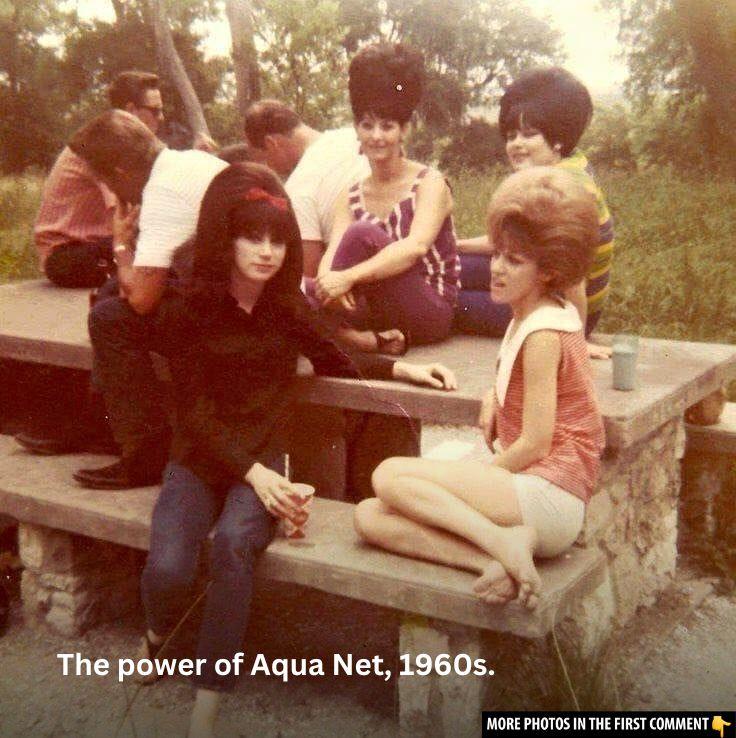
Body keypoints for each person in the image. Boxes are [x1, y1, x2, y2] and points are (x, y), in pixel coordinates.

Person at [137, 162, 455, 738]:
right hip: (200, 458)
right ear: (225, 239)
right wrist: (252, 474)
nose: (267, 252)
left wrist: (402, 369)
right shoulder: (187, 308)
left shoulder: (285, 306)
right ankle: (158, 637)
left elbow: (336, 355)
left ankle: (205, 711)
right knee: (169, 568)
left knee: (235, 545)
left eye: (278, 240)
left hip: (265, 456)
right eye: (251, 237)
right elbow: (194, 416)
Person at [354, 166, 605, 610]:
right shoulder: (529, 313)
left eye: (515, 261)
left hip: (550, 495)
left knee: (388, 475)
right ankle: (493, 557)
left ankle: (502, 540)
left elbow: (536, 442)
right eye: (498, 254)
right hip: (529, 494)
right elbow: (529, 387)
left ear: (549, 271)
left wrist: (476, 477)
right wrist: (495, 396)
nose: (497, 268)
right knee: (369, 516)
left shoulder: (544, 332)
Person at [15, 111, 228, 476]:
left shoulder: (162, 192)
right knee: (112, 291)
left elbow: (142, 301)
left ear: (121, 174)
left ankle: (146, 451)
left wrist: (120, 244)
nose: (112, 193)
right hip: (241, 297)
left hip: (237, 320)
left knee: (110, 318)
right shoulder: (191, 162)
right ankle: (102, 418)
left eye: (107, 183)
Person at [454, 67, 615, 360]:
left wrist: (575, 340)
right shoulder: (572, 164)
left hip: (560, 311)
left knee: (447, 298)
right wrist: (457, 245)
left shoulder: (562, 188)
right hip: (545, 286)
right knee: (450, 265)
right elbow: (525, 242)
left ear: (558, 139)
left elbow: (574, 280)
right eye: (511, 135)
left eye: (529, 135)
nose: (516, 144)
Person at [313, 43, 460, 355]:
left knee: (361, 234)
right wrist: (327, 280)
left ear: (404, 130)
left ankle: (331, 329)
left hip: (429, 308)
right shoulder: (351, 194)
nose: (376, 136)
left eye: (387, 126)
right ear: (356, 130)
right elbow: (334, 251)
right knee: (300, 285)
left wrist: (347, 277)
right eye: (367, 126)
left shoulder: (430, 183)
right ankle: (361, 337)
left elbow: (414, 247)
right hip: (378, 309)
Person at [34, 71, 165, 288]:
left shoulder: (116, 141)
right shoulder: (103, 146)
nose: (161, 118)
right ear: (131, 111)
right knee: (160, 253)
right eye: (155, 110)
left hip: (92, 246)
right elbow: (127, 217)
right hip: (68, 255)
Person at [244, 99, 370, 277]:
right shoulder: (355, 136)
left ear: (272, 143)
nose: (270, 168)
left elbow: (307, 270)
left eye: (265, 160)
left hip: (357, 276)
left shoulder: (298, 188)